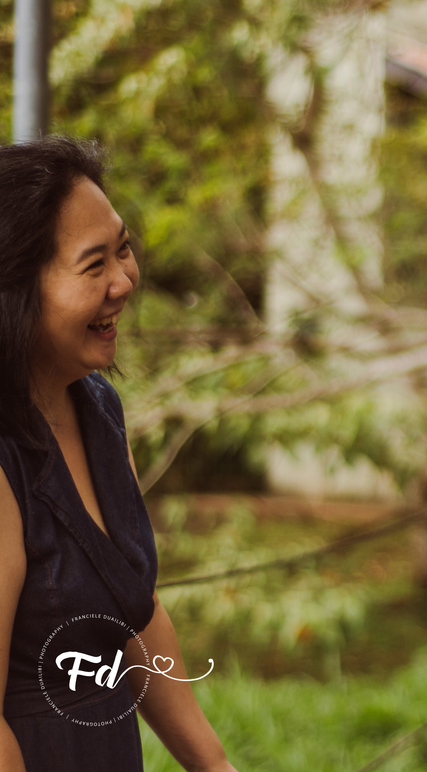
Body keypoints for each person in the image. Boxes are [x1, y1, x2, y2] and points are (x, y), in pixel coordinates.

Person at [0, 136, 236, 772]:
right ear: (17, 289)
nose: (125, 280)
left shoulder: (99, 409)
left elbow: (131, 611)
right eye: (94, 264)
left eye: (123, 249)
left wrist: (215, 767)